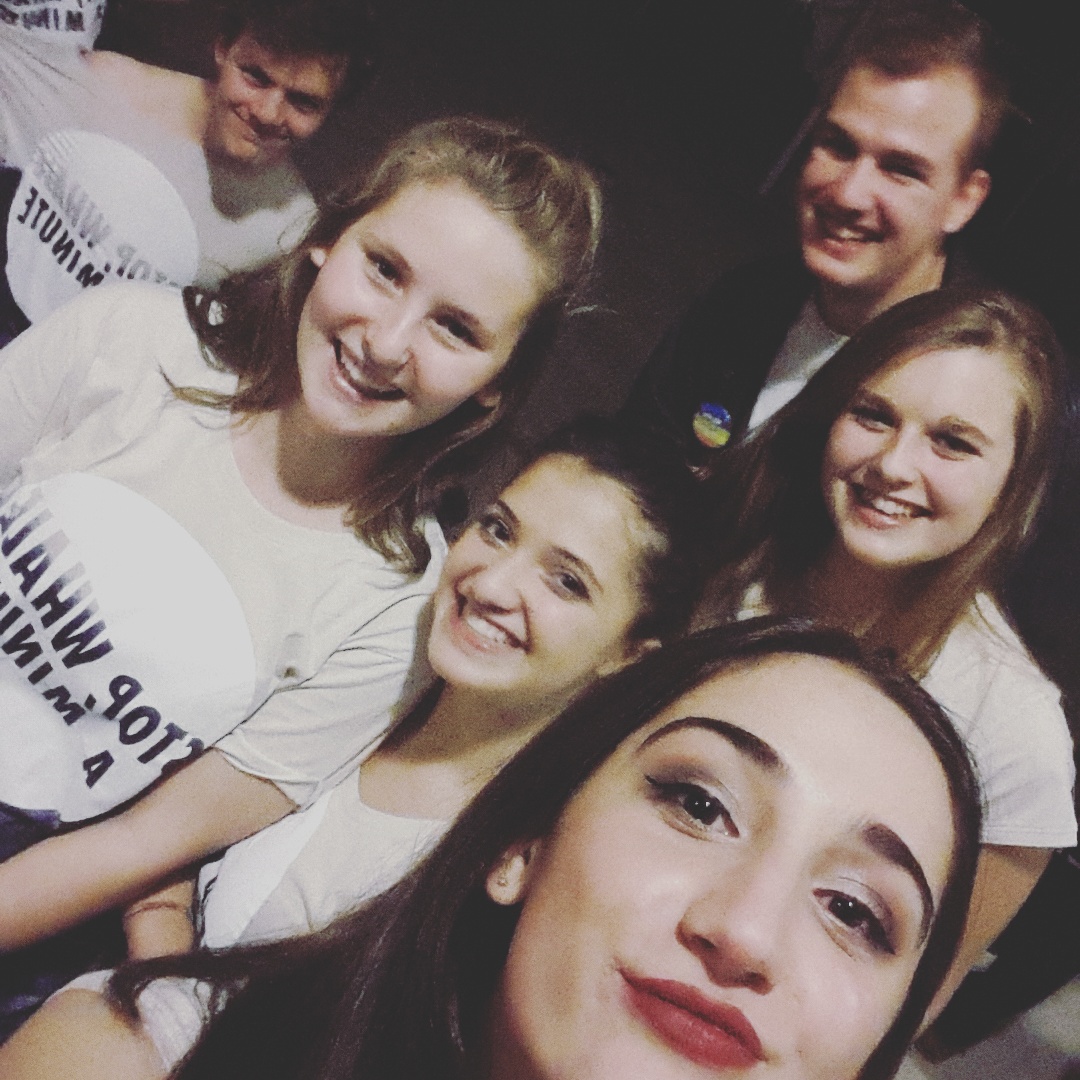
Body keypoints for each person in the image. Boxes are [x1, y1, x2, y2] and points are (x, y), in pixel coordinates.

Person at [0, 116, 602, 1034]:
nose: (387, 341)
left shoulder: (395, 609)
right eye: (385, 269)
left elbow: (141, 843)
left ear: (496, 383)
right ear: (326, 239)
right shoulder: (129, 337)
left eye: (455, 328)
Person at [0, 618, 983, 1080]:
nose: (745, 931)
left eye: (855, 912)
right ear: (524, 840)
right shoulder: (142, 1058)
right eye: (698, 804)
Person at [698, 287, 1077, 1019]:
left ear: (1014, 483)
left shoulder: (1014, 736)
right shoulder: (727, 556)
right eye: (873, 415)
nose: (894, 464)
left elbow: (907, 1005)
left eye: (953, 443)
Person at [621, 0, 1001, 466]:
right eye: (837, 145)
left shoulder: (976, 397)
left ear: (963, 200)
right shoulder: (743, 303)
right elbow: (632, 458)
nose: (848, 193)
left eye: (901, 169)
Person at [0, 0, 371, 333]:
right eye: (256, 77)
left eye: (303, 102)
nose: (268, 114)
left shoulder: (290, 236)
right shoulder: (103, 85)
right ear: (223, 48)